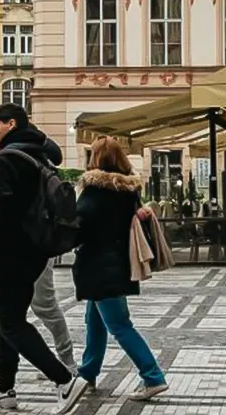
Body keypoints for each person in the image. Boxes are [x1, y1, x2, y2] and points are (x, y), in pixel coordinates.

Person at [0, 103, 86, 413]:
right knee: (4, 319)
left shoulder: (8, 158)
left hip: (8, 252)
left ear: (10, 124)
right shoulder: (39, 155)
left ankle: (64, 379)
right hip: (34, 251)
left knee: (11, 322)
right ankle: (5, 389)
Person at [72, 137, 169, 401]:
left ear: (96, 159)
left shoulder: (95, 191)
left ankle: (153, 376)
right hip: (118, 263)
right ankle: (87, 374)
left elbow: (78, 227)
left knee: (119, 325)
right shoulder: (128, 192)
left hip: (100, 266)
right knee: (94, 321)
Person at [0, 136, 76, 380]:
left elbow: (4, 207)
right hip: (32, 244)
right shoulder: (37, 155)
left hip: (27, 246)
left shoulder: (17, 158)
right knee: (7, 311)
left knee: (43, 305)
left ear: (11, 125)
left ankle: (66, 363)